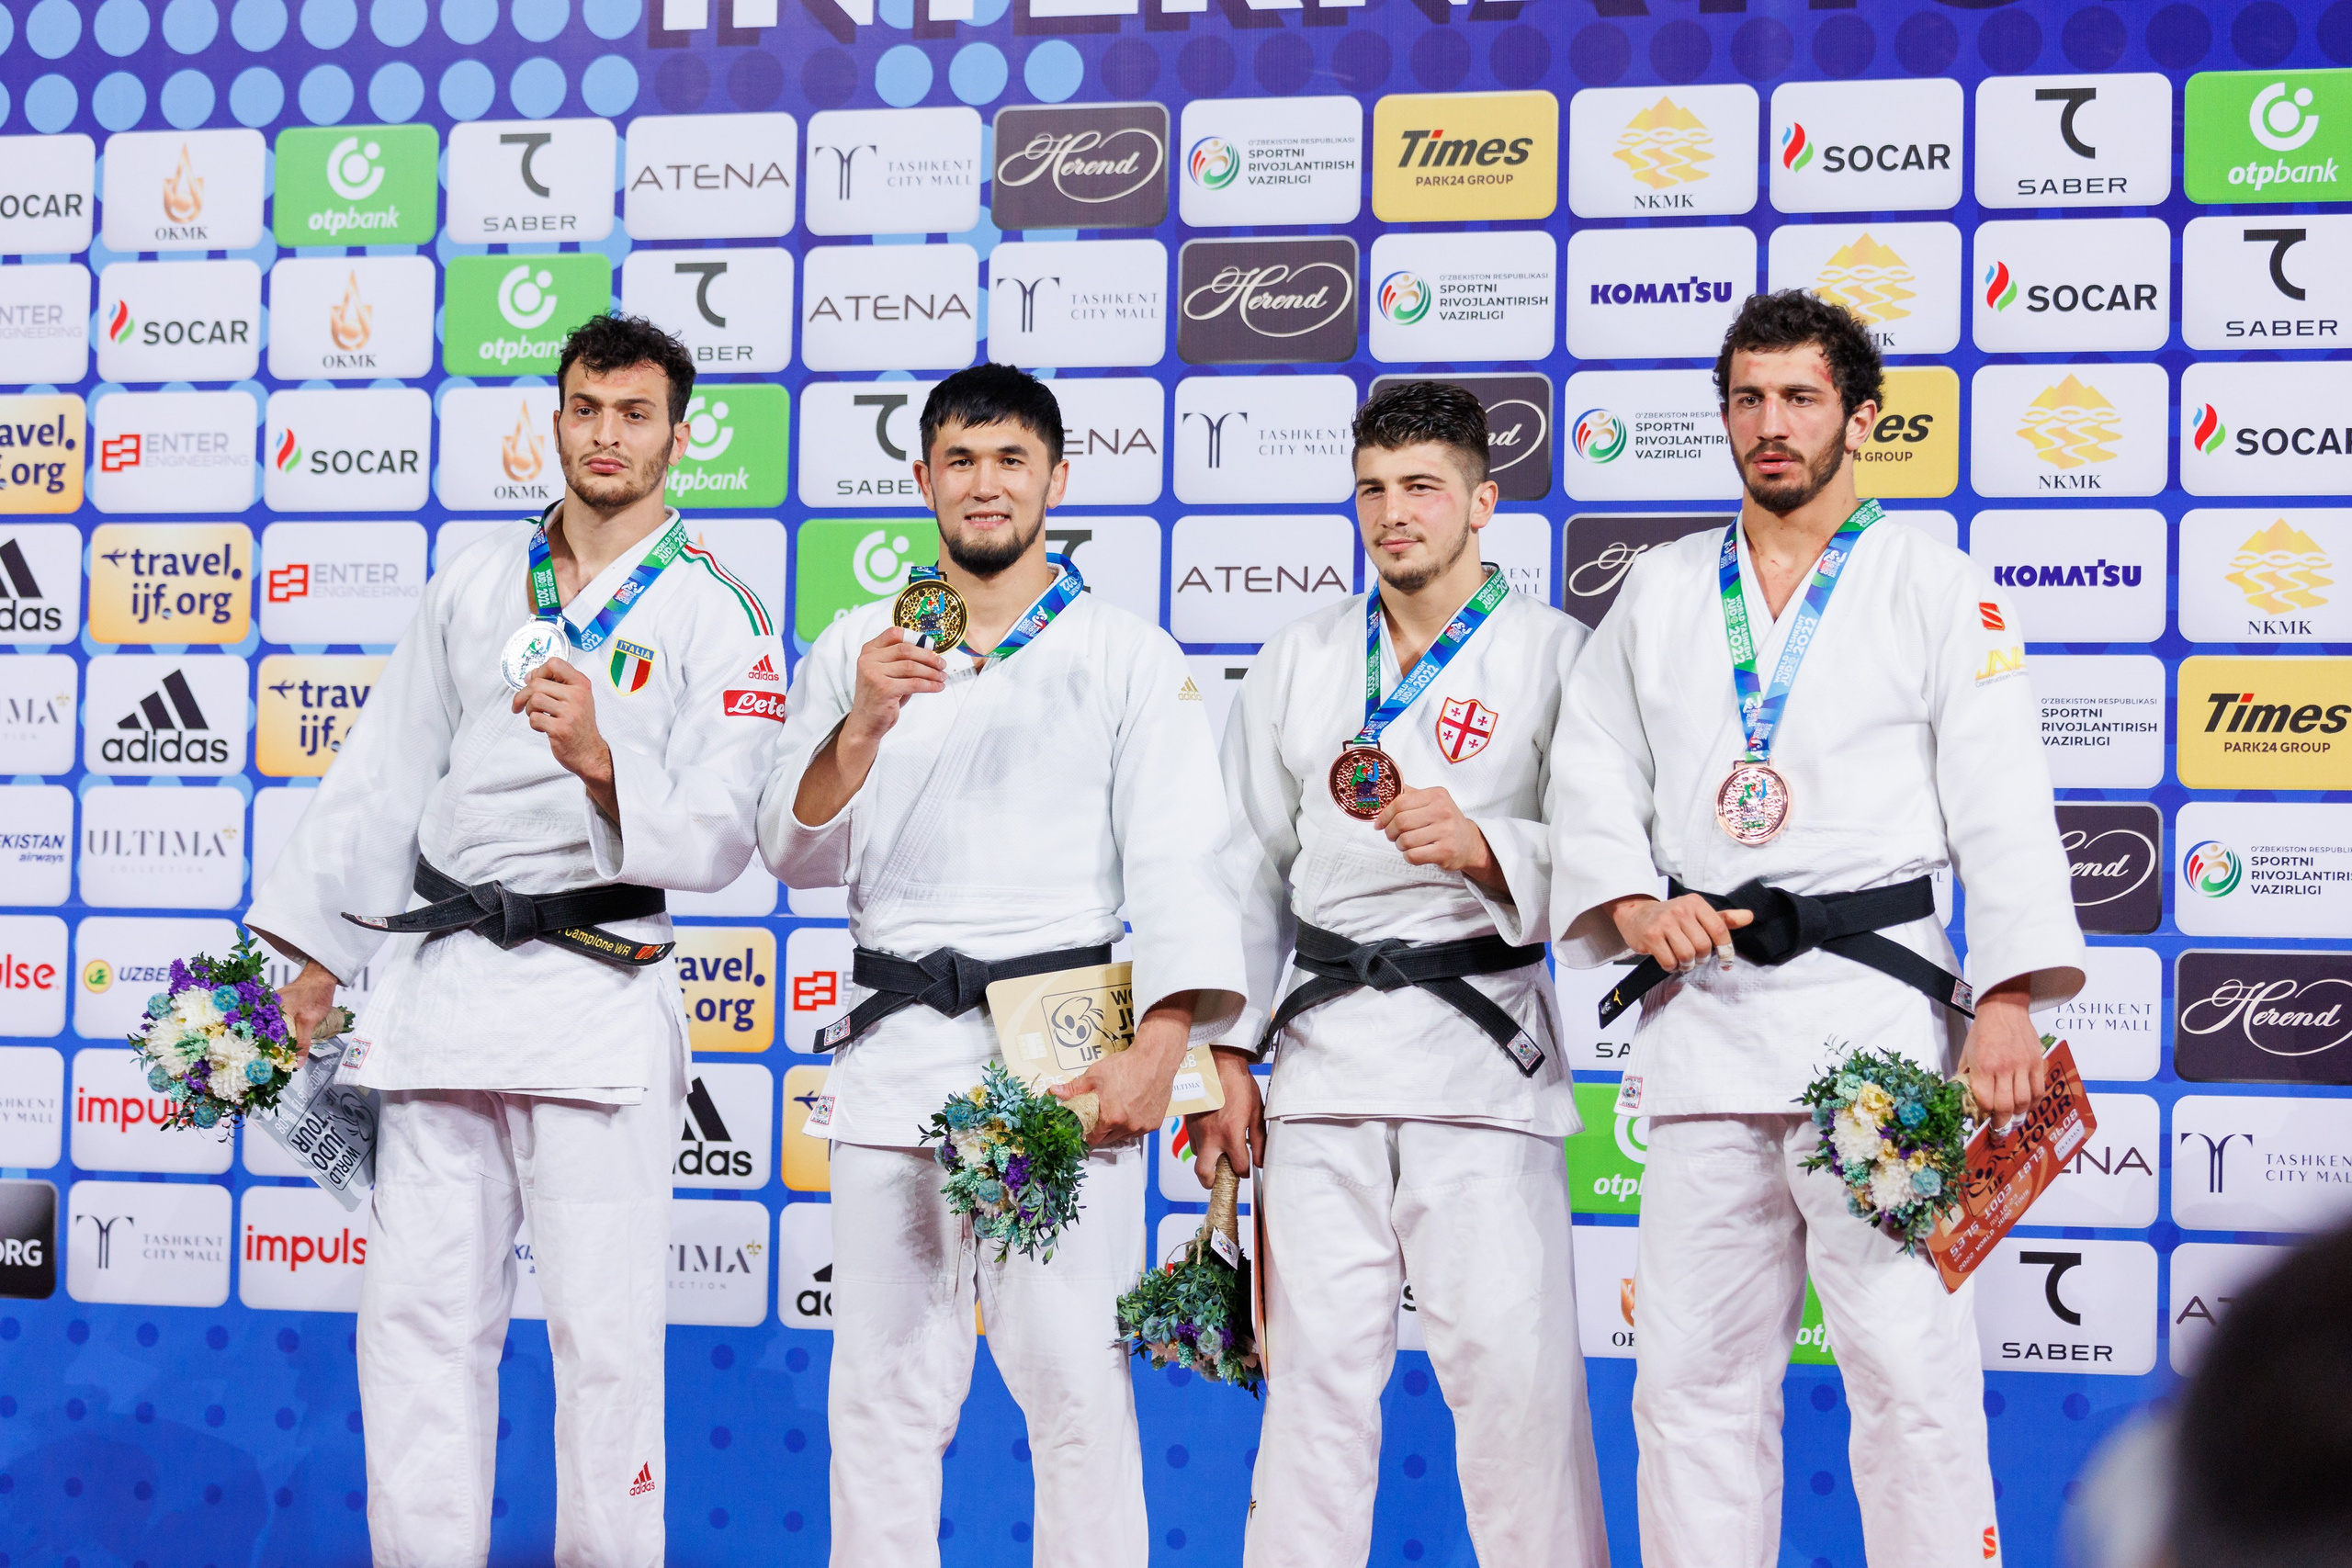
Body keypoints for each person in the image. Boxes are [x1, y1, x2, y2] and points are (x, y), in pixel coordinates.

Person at [1547, 290, 2086, 1568]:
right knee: (1688, 1382)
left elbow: (2003, 796)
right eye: (1748, 399)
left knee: (1908, 1368)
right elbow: (1590, 772)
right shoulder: (1667, 588)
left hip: (1877, 1027)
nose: (1771, 425)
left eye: (1799, 398)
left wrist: (2006, 997)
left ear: (1862, 416)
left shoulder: (1935, 583)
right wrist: (1631, 903)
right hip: (1707, 1024)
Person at [250, 313, 784, 1568]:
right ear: (555, 420)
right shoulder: (477, 584)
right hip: (442, 993)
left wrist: (603, 759)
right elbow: (383, 777)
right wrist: (318, 958)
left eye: (634, 413)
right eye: (587, 409)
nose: (607, 435)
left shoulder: (721, 610)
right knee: (420, 1324)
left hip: (594, 1000)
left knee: (605, 1342)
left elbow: (723, 832)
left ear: (678, 433)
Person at [758, 362, 1247, 1568]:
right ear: (923, 479)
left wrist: (1166, 1045)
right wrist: (862, 721)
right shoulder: (856, 650)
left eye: (1011, 459)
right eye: (962, 461)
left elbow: (1187, 862)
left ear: (1056, 481)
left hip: (1062, 1051)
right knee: (881, 1390)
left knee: (1074, 1382)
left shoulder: (1126, 654)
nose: (986, 484)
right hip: (897, 1036)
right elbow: (790, 848)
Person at [1188, 380, 1609, 1568]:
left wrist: (1491, 848)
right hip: (1320, 1062)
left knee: (1516, 1397)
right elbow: (1240, 872)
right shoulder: (1300, 657)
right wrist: (1228, 1055)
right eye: (1372, 489)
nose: (1393, 513)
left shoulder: (1558, 656)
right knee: (1313, 1393)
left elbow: (1624, 861)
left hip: (1481, 1056)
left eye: (1422, 487)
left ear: (1484, 501)